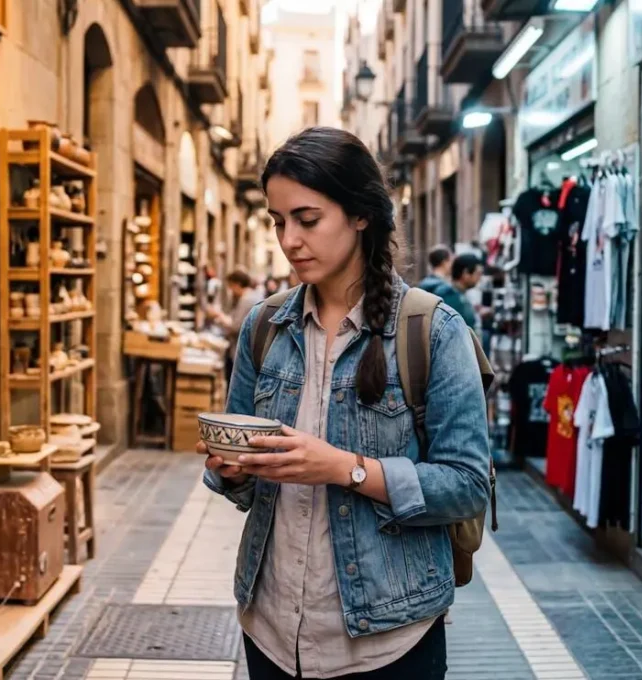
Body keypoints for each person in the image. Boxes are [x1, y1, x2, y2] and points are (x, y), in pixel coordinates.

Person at [199, 127, 491, 680]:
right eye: (278, 222)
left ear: (360, 214)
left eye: (307, 220)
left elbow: (468, 485)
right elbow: (243, 487)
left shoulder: (433, 331)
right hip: (271, 629)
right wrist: (234, 469)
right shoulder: (263, 327)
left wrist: (344, 469)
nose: (289, 240)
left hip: (389, 640)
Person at [209, 270, 264, 381]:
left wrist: (219, 316)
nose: (230, 290)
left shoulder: (246, 300)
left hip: (241, 350)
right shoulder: (252, 296)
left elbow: (235, 326)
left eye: (231, 286)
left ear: (237, 284)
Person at [449, 252, 484, 334]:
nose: (480, 279)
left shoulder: (460, 295)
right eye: (478, 274)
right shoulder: (452, 297)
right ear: (466, 273)